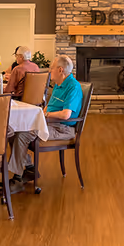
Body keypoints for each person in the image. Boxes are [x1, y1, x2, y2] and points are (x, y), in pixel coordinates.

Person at [8, 54, 84, 186]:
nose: (49, 70)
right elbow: (49, 106)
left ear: (60, 70)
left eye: (52, 68)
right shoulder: (58, 85)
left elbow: (66, 115)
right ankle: (29, 168)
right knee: (12, 130)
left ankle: (17, 178)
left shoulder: (73, 87)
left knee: (22, 135)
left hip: (63, 128)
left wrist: (47, 114)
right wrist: (42, 113)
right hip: (50, 123)